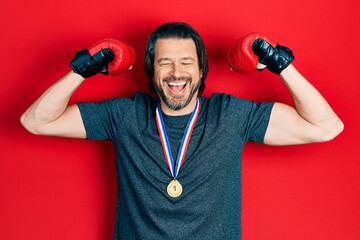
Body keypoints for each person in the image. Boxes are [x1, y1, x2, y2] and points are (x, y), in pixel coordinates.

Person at [20, 22, 343, 239]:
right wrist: (83, 69)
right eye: (165, 63)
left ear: (201, 70)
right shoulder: (124, 115)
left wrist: (280, 64)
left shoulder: (230, 115)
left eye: (187, 62)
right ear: (151, 70)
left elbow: (326, 126)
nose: (177, 73)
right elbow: (35, 121)